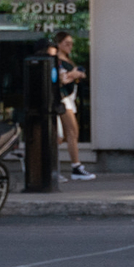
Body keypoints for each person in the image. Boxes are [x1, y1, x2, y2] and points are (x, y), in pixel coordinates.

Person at [49, 31, 93, 180]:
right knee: (70, 132)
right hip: (62, 98)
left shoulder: (66, 60)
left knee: (64, 134)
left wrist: (76, 75)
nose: (70, 46)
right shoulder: (57, 61)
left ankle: (58, 168)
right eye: (66, 43)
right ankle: (75, 166)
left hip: (68, 98)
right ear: (59, 44)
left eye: (71, 44)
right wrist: (73, 75)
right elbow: (61, 79)